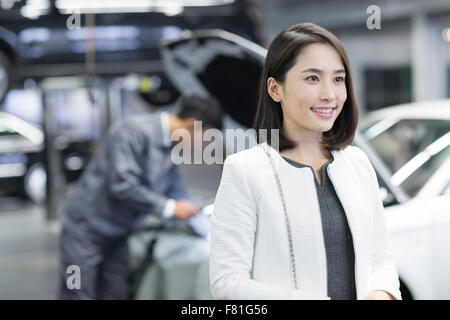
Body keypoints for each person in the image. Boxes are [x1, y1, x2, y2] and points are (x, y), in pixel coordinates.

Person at [209, 23, 402, 300]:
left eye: (338, 79)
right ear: (276, 89)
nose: (330, 94)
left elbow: (380, 258)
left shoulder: (357, 162)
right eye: (313, 78)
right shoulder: (245, 170)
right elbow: (226, 284)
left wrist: (382, 293)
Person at [59, 95, 223, 300]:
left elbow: (175, 190)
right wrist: (170, 208)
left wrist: (201, 222)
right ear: (192, 126)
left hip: (120, 235)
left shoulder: (171, 146)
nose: (201, 146)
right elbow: (121, 185)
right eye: (205, 138)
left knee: (116, 293)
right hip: (85, 232)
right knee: (77, 291)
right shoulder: (131, 131)